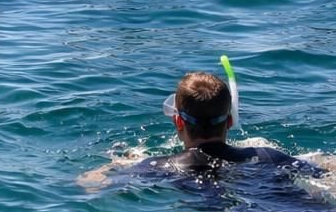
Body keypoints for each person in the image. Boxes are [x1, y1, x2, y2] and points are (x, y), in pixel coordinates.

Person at [79, 71, 300, 187]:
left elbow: (88, 184)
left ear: (179, 122)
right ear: (230, 121)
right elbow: (329, 171)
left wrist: (117, 165)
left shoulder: (159, 167)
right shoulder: (266, 155)